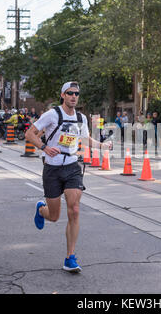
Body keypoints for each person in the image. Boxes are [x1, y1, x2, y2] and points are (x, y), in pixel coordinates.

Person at [25, 81, 111, 273]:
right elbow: (30, 134)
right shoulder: (52, 115)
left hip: (72, 166)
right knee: (55, 216)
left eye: (76, 93)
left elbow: (84, 139)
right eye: (70, 93)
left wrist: (102, 146)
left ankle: (70, 257)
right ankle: (42, 210)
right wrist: (45, 147)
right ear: (63, 95)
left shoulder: (81, 118)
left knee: (74, 209)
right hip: (52, 169)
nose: (74, 96)